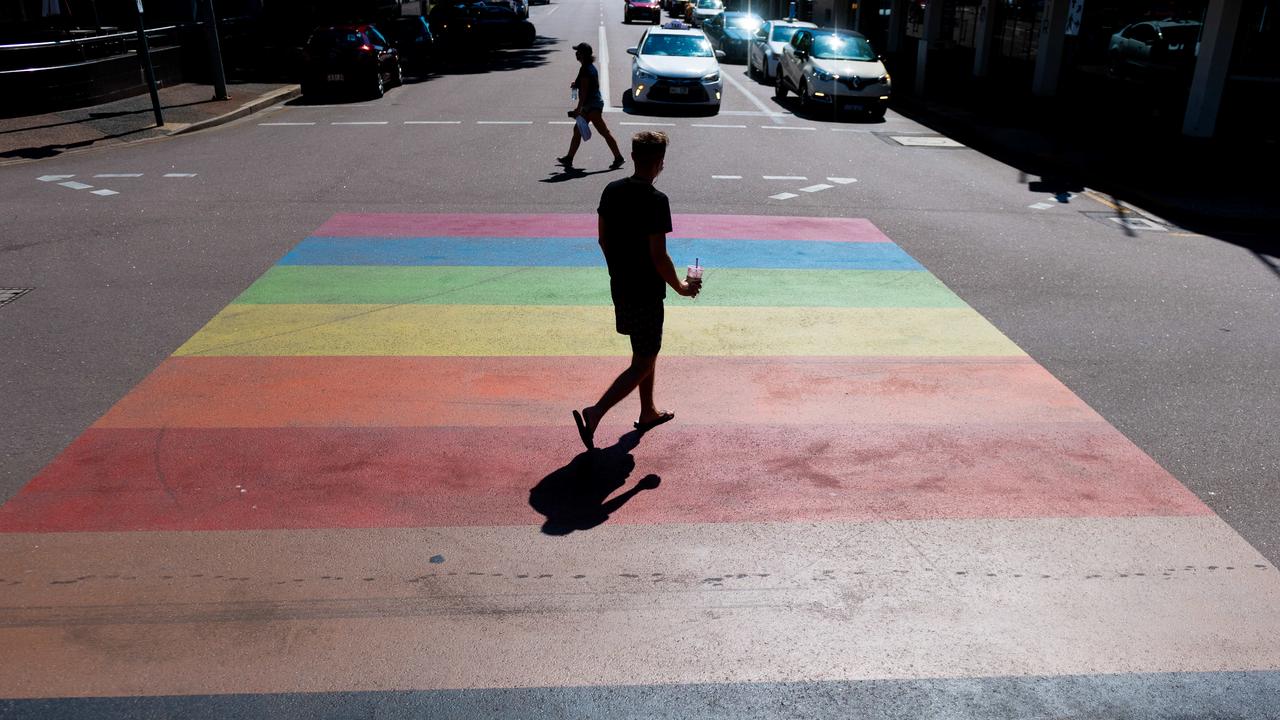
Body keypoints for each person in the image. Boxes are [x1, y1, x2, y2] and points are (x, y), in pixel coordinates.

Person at [572, 131, 701, 451]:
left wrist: (618, 269)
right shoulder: (657, 201)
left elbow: (602, 239)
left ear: (632, 156)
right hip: (646, 290)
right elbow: (659, 256)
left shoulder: (612, 190)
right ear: (660, 163)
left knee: (644, 350)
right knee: (644, 360)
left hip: (621, 283)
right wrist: (682, 287)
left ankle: (647, 411)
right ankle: (596, 411)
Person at [558, 43, 625, 170]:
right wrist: (576, 84)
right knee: (577, 130)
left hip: (592, 105)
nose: (576, 54)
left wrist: (578, 108)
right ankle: (569, 158)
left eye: (578, 51)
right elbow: (586, 85)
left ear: (582, 54)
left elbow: (584, 92)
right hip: (591, 104)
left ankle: (619, 158)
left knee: (604, 132)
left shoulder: (585, 69)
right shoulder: (589, 67)